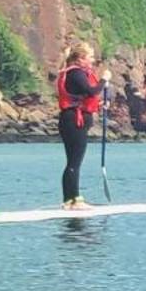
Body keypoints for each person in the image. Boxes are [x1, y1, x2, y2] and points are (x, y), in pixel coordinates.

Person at [55, 43, 108, 210]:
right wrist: (104, 80)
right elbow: (91, 91)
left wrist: (99, 105)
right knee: (74, 162)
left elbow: (83, 97)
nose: (93, 60)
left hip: (71, 119)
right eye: (90, 57)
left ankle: (69, 200)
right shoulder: (76, 73)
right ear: (81, 59)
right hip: (74, 121)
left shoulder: (74, 74)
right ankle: (75, 199)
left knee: (72, 161)